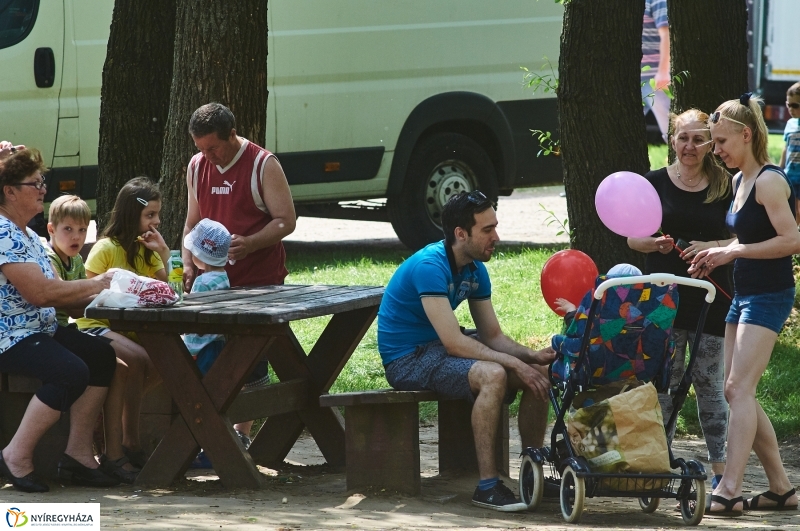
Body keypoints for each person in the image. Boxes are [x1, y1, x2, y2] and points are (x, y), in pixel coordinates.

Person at [377, 190, 555, 512]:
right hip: (407, 358)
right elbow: (454, 343)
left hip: (438, 348)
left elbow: (493, 336)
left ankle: (533, 472)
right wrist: (514, 364)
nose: (496, 237)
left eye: (495, 227)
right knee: (493, 374)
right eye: (487, 230)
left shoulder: (475, 269)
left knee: (538, 373)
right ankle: (487, 486)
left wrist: (531, 358)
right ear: (461, 234)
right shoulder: (430, 266)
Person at [688, 94, 800, 516]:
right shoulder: (739, 182)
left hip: (769, 296)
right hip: (743, 294)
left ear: (746, 134)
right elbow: (747, 237)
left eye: (720, 142)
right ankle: (781, 489)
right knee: (740, 393)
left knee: (737, 389)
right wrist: (716, 251)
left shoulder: (771, 180)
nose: (715, 151)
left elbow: (793, 240)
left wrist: (732, 253)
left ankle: (730, 489)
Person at [0, 149, 119, 491]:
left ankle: (77, 454)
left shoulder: (28, 235)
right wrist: (96, 283)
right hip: (10, 336)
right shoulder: (3, 232)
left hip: (40, 329)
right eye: (34, 183)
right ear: (9, 191)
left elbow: (60, 292)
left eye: (42, 182)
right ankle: (16, 455)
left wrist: (122, 290)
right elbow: (40, 293)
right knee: (70, 371)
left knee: (100, 355)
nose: (42, 189)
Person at [627, 109, 732, 489]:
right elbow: (631, 239)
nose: (690, 146)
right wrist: (652, 243)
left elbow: (743, 240)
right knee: (663, 386)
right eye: (683, 138)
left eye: (699, 139)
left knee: (710, 385)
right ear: (672, 139)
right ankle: (658, 467)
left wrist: (714, 248)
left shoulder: (726, 185)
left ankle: (723, 475)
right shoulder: (652, 183)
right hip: (662, 302)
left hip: (710, 302)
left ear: (708, 143)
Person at [182, 102, 297, 438]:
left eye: (213, 148)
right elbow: (191, 223)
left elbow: (286, 221)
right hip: (213, 285)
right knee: (212, 356)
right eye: (201, 149)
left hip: (259, 282)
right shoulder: (196, 166)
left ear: (232, 134)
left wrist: (251, 243)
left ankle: (240, 434)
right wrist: (188, 263)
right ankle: (216, 434)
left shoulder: (263, 164)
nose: (208, 156)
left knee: (252, 360)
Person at [44, 195, 137, 484]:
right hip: (49, 332)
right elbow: (67, 301)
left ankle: (113, 451)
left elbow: (78, 300)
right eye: (68, 229)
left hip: (65, 329)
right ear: (51, 230)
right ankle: (90, 452)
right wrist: (97, 292)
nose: (76, 237)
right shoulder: (50, 259)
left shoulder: (76, 260)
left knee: (120, 366)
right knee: (106, 359)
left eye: (82, 230)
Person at [75, 177, 167, 469]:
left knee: (166, 362)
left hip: (133, 330)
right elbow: (88, 296)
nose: (156, 221)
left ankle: (113, 421)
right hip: (97, 327)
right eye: (149, 215)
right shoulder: (105, 248)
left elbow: (165, 290)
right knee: (139, 361)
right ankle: (131, 441)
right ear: (131, 213)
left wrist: (163, 253)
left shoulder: (147, 249)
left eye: (157, 214)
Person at [181, 218, 233, 468]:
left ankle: (200, 451)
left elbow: (192, 315)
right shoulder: (223, 278)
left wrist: (184, 300)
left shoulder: (202, 282)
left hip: (199, 349)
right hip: (217, 345)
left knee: (198, 399)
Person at [641, 0, 670, 141]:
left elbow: (667, 33)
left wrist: (664, 71)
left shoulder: (657, 1)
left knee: (672, 132)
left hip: (655, 79)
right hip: (636, 79)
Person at [780, 81, 800, 223]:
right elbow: (786, 147)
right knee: (792, 210)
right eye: (788, 105)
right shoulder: (790, 124)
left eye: (795, 106)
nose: (791, 109)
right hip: (790, 175)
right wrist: (780, 168)